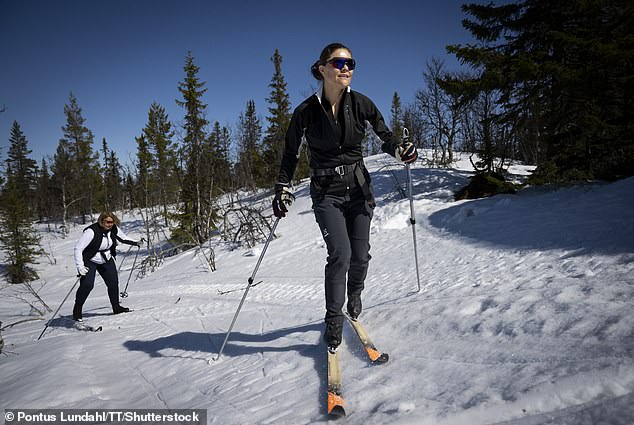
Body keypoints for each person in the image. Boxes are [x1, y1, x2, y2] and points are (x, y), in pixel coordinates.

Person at [272, 42, 418, 351]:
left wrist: (401, 150)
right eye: (339, 62)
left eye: (350, 62)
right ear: (322, 68)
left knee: (360, 254)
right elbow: (289, 153)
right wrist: (282, 186)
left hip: (359, 189)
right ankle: (333, 320)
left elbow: (386, 137)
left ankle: (355, 293)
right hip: (327, 193)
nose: (346, 68)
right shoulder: (306, 112)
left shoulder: (362, 103)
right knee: (340, 253)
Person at [72, 212, 140, 321]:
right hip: (90, 260)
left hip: (106, 259)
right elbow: (78, 248)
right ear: (102, 221)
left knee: (113, 282)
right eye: (108, 222)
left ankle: (116, 307)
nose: (110, 224)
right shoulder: (91, 231)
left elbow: (123, 238)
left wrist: (136, 242)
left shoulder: (113, 229)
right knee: (87, 285)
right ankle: (77, 309)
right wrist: (80, 267)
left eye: (112, 222)